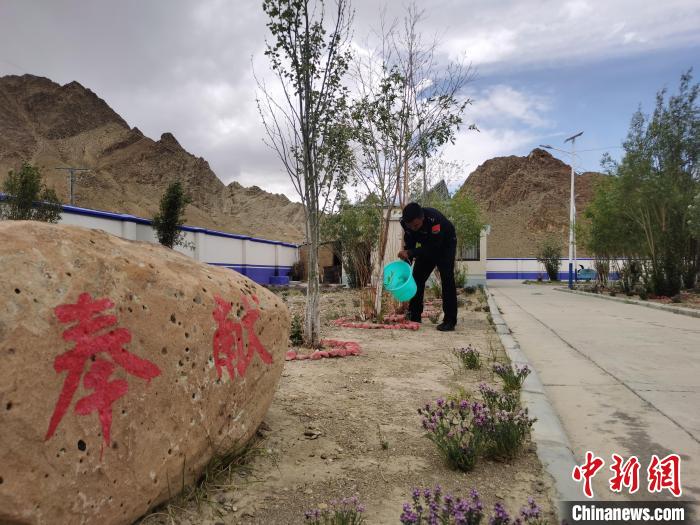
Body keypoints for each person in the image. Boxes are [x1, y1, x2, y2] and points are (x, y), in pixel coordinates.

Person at [397, 202, 458, 331]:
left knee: (447, 279)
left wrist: (411, 252)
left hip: (445, 244)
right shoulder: (406, 223)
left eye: (416, 225)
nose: (413, 228)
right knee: (417, 278)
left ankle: (450, 320)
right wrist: (407, 258)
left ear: (422, 218)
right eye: (410, 226)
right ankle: (414, 315)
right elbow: (410, 240)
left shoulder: (434, 220)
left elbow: (434, 248)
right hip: (426, 245)